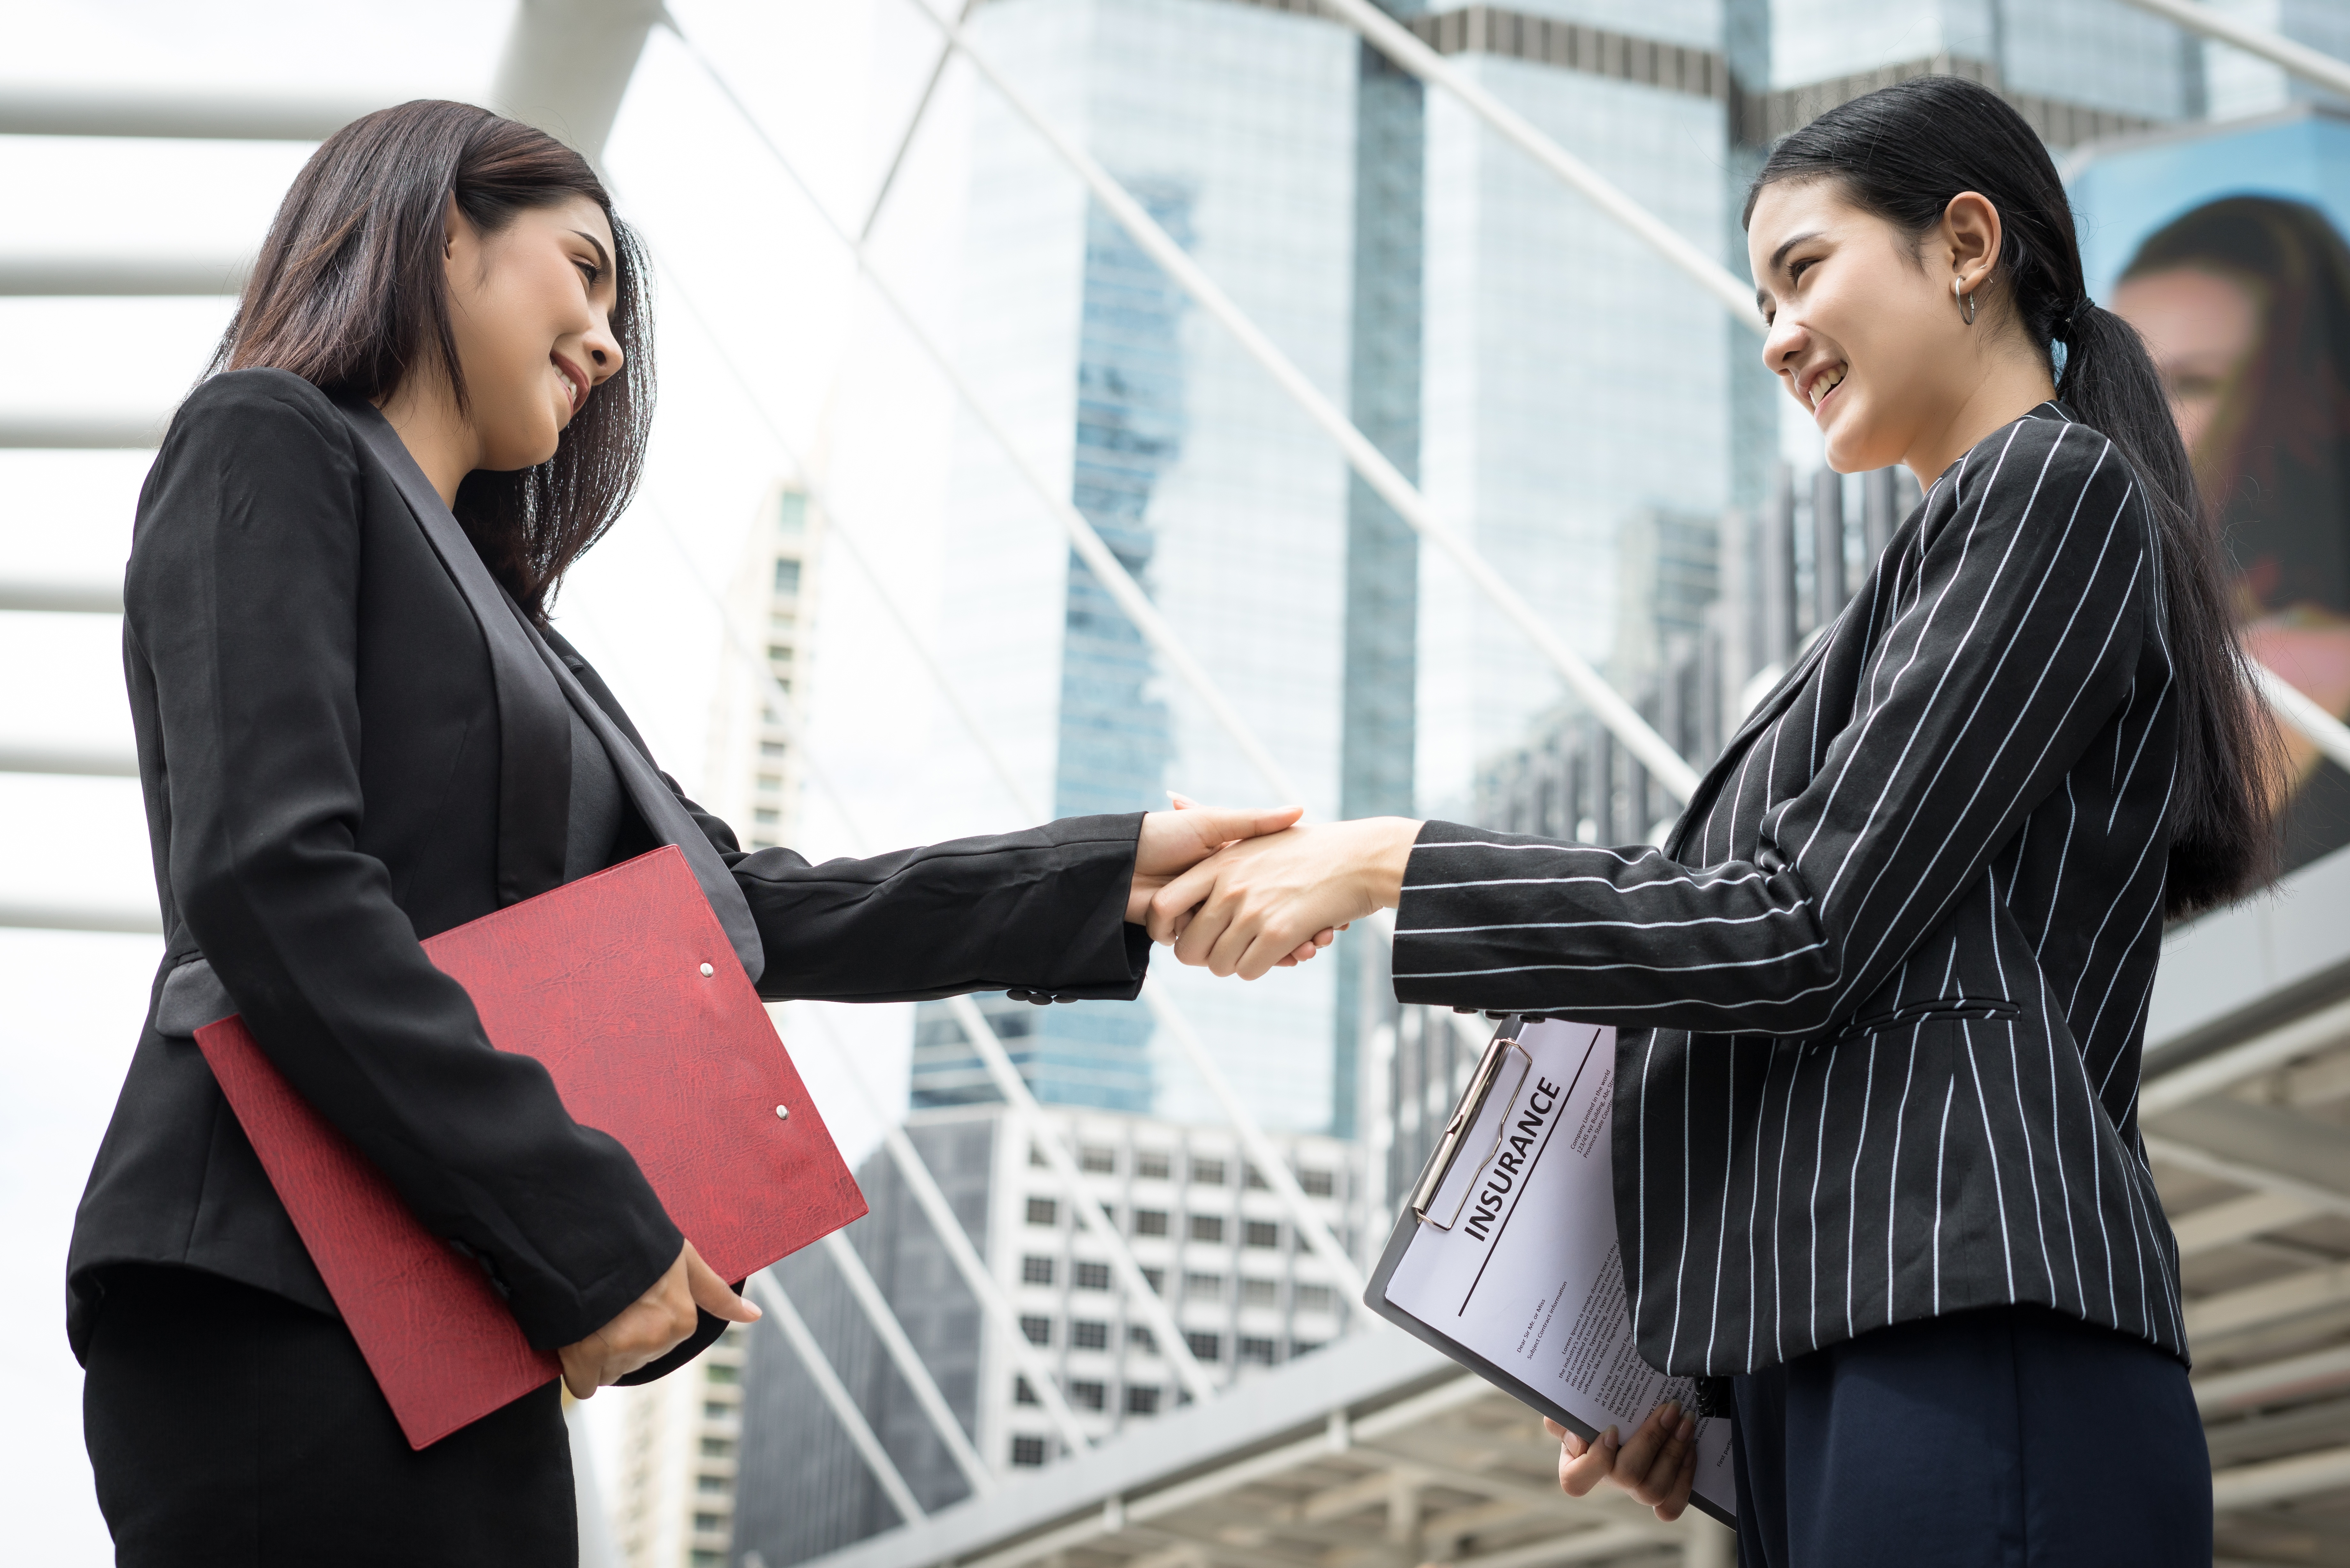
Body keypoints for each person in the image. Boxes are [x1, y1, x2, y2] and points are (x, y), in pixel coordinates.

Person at [67, 100, 1323, 1567]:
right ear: (436, 221)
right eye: (583, 269)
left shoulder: (523, 637)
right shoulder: (264, 436)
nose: (604, 342)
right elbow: (269, 882)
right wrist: (584, 1216)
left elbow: (739, 910)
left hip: (450, 1292)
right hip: (278, 1269)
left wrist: (1107, 873)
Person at [1144, 77, 2275, 1566]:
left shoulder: (2048, 493)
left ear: (1962, 243)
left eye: (1802, 269)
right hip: (1851, 1350)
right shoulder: (1888, 602)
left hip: (1971, 1329)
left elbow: (1797, 930)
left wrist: (1385, 861)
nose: (1775, 337)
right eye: (1758, 297)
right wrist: (1691, 1366)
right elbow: (1811, 988)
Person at [2112, 195, 2350, 872]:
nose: (2138, 421)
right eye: (2126, 383)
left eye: (2191, 383)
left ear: (2307, 402)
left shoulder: (2282, 662)